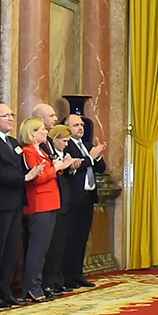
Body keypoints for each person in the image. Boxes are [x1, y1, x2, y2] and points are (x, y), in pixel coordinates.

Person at [0, 103, 28, 307]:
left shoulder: (13, 141)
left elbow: (19, 166)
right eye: (6, 115)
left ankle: (6, 289)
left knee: (11, 249)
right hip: (0, 202)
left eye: (12, 114)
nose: (10, 118)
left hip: (17, 201)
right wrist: (25, 177)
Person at [18, 116, 68, 303]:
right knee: (37, 249)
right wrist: (54, 169)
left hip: (51, 201)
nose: (46, 132)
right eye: (42, 130)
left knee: (44, 248)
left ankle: (37, 284)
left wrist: (59, 166)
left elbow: (50, 170)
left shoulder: (43, 150)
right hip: (39, 203)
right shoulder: (28, 151)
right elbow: (35, 178)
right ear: (32, 133)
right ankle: (32, 286)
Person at [56, 113, 106, 290]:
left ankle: (78, 274)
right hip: (73, 198)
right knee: (70, 238)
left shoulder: (86, 145)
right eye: (76, 125)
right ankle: (67, 276)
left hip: (88, 197)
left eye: (82, 125)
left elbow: (101, 168)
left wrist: (97, 156)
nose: (80, 128)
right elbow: (72, 165)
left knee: (81, 238)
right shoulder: (66, 146)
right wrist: (91, 158)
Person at [43, 122, 82, 293]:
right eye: (64, 141)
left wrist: (71, 168)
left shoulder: (65, 155)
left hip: (64, 202)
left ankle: (58, 280)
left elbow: (66, 177)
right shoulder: (49, 153)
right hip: (51, 202)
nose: (66, 144)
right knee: (52, 245)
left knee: (61, 245)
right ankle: (50, 281)